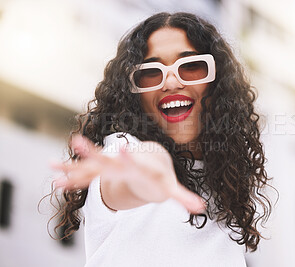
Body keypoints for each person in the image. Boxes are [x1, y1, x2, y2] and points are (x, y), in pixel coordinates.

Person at [50, 12, 272, 267]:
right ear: (134, 94)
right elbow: (140, 166)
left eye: (190, 66)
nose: (170, 81)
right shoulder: (122, 151)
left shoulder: (224, 189)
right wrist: (144, 178)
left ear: (217, 83)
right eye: (151, 72)